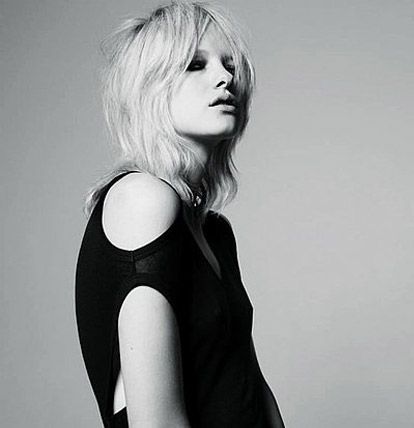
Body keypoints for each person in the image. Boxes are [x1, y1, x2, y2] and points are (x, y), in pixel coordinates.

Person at [74, 2, 285, 427]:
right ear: (150, 87)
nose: (226, 78)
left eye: (230, 64)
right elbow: (155, 420)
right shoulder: (142, 199)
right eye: (195, 64)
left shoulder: (214, 231)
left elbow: (249, 385)